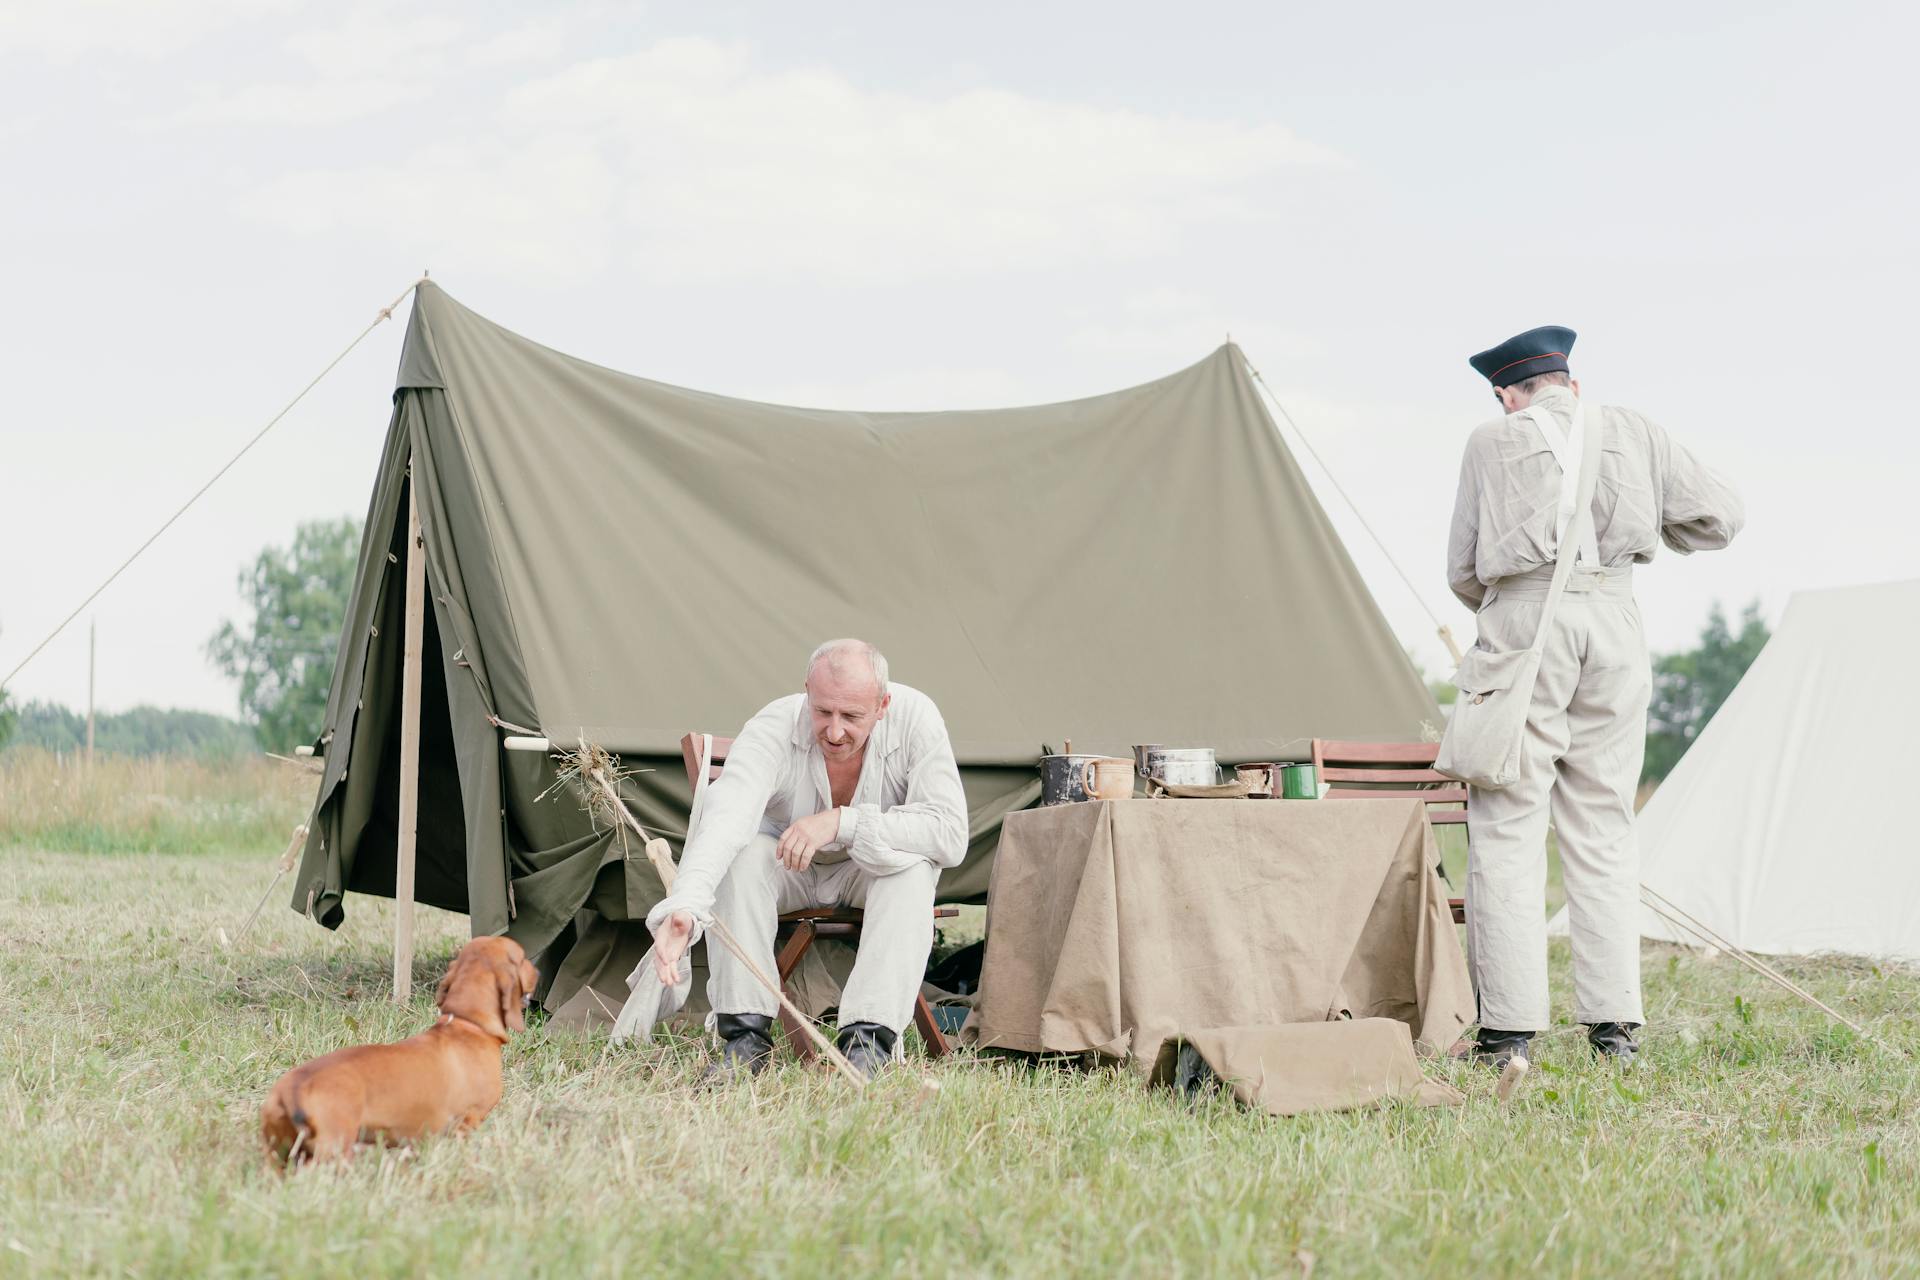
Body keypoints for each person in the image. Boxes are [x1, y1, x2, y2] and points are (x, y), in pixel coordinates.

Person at [1448, 326, 1744, 1069]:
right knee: (1606, 827)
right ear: (1571, 384)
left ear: (1507, 393)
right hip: (1615, 620)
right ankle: (1614, 1031)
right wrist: (1636, 534)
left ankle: (1509, 1034)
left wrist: (1520, 598)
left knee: (1510, 825)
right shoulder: (1634, 430)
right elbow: (1720, 518)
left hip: (1525, 624)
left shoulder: (1491, 440)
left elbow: (1462, 568)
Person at [647, 639, 968, 1080]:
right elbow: (725, 819)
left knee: (913, 868)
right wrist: (685, 905)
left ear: (883, 704)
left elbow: (950, 834)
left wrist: (843, 822)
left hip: (867, 869)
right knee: (741, 860)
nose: (835, 732)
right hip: (788, 869)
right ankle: (745, 1041)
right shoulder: (773, 725)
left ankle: (866, 1046)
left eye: (852, 716)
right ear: (806, 694)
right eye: (823, 712)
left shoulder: (917, 718)